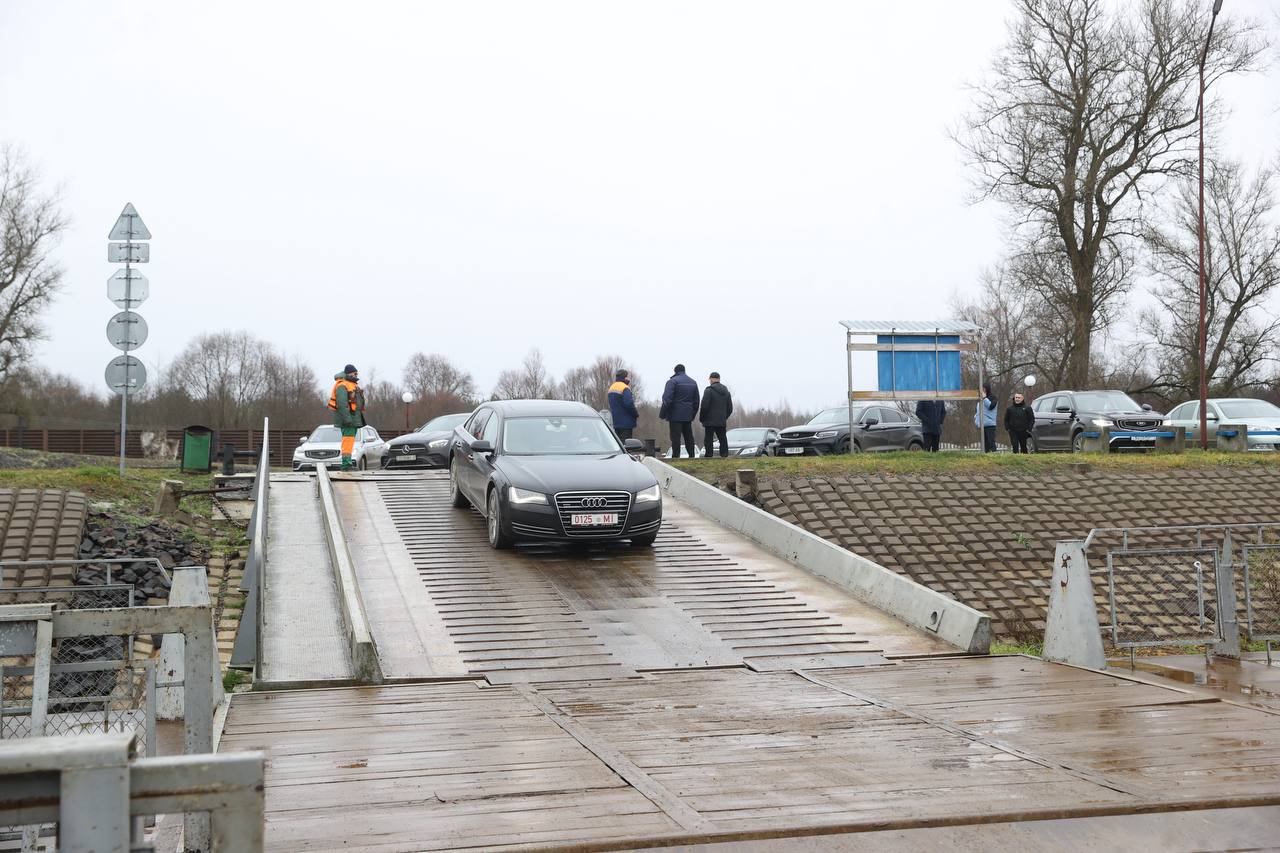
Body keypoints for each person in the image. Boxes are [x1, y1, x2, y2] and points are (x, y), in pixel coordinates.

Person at [327, 364, 366, 470]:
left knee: (349, 442)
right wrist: (347, 419)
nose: (356, 375)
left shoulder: (352, 384)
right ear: (349, 373)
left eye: (357, 373)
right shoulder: (342, 385)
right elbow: (342, 404)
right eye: (354, 373)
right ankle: (346, 465)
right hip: (348, 419)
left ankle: (347, 463)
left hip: (354, 418)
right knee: (347, 442)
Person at [659, 363, 699, 459]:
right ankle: (692, 456)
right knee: (688, 436)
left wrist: (662, 413)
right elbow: (696, 402)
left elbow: (667, 399)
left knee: (675, 437)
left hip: (674, 415)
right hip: (688, 415)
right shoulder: (693, 382)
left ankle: (675, 457)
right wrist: (692, 415)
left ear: (675, 371)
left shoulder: (672, 382)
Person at [699, 372, 734, 458]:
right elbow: (730, 408)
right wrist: (724, 417)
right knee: (722, 438)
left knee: (708, 439)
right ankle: (724, 455)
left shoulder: (708, 390)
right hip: (721, 420)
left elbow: (704, 406)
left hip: (709, 420)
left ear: (711, 379)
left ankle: (709, 456)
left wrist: (702, 418)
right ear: (719, 379)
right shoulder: (726, 392)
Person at [607, 369, 639, 442]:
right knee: (627, 444)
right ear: (624, 377)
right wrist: (635, 414)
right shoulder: (625, 388)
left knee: (618, 444)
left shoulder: (611, 388)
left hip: (616, 422)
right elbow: (629, 403)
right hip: (626, 423)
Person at [974, 383, 998, 452]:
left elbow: (990, 406)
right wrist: (976, 419)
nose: (981, 390)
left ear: (987, 389)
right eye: (980, 389)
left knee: (991, 442)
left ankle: (994, 455)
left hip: (990, 424)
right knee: (985, 445)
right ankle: (986, 456)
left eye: (983, 389)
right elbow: (978, 412)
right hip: (982, 425)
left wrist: (984, 398)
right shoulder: (980, 400)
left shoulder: (993, 398)